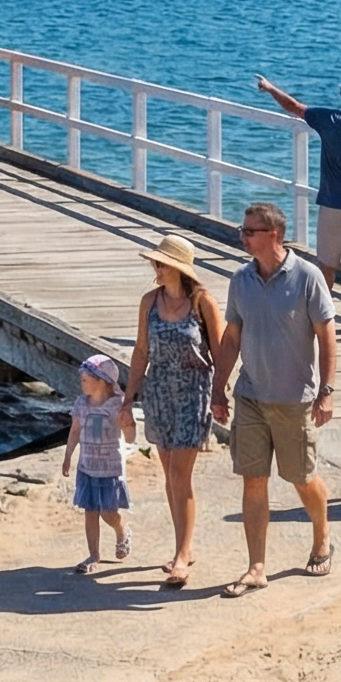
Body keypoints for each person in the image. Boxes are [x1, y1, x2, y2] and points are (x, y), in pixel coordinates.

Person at [208, 203, 337, 596]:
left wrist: (327, 391)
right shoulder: (241, 280)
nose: (243, 236)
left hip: (294, 398)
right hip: (250, 395)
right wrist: (219, 387)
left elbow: (327, 336)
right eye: (242, 230)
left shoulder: (307, 277)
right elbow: (231, 338)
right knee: (253, 480)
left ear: (275, 235)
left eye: (250, 231)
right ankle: (256, 567)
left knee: (301, 478)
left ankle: (322, 535)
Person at [256, 71, 341, 343]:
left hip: (334, 203)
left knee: (327, 266)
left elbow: (295, 107)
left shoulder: (331, 120)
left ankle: (323, 320)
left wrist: (270, 88)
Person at [123, 231, 222, 588]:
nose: (156, 267)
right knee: (170, 476)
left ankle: (181, 556)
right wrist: (128, 397)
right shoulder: (150, 301)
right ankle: (185, 544)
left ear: (179, 268)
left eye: (162, 263)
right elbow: (140, 352)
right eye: (156, 262)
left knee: (181, 474)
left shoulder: (203, 303)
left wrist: (222, 396)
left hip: (194, 392)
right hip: (159, 391)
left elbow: (223, 350)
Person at [60, 355, 135, 572]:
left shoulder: (116, 406)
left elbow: (130, 438)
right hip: (87, 467)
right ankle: (93, 555)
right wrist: (68, 456)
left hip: (110, 468)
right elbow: (75, 431)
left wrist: (128, 425)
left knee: (108, 512)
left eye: (85, 379)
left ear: (101, 381)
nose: (81, 383)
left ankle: (121, 530)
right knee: (90, 511)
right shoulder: (81, 404)